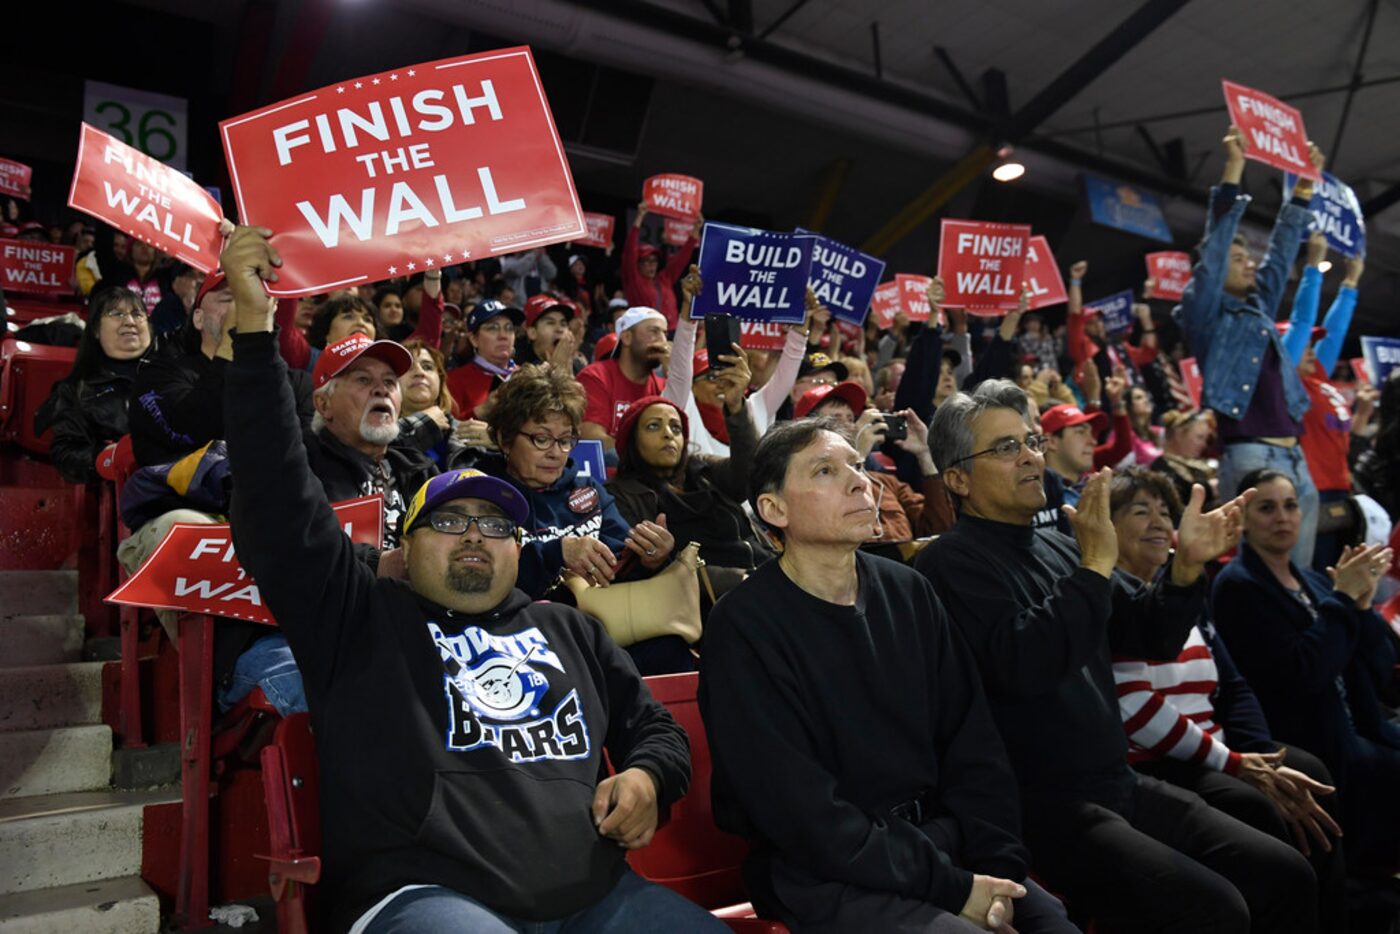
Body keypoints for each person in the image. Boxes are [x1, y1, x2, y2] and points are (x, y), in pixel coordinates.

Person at [215, 225, 718, 934]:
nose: (476, 533)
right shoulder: (358, 619)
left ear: (519, 549)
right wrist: (256, 326)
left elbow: (657, 730)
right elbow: (275, 496)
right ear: (408, 545)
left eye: (496, 524)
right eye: (450, 523)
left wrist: (646, 778)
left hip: (601, 900)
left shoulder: (568, 627)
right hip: (426, 898)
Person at [915, 379, 1318, 934]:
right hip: (1043, 805)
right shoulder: (950, 565)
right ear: (957, 477)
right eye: (1006, 447)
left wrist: (1185, 570)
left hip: (1116, 782)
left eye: (1030, 440)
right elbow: (1025, 664)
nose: (1032, 456)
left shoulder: (1060, 543)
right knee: (1215, 908)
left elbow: (1150, 635)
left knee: (1285, 872)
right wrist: (1093, 568)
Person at [701, 417, 1076, 933]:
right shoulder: (742, 627)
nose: (860, 480)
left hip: (942, 843)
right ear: (774, 509)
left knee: (1053, 923)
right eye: (826, 471)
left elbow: (974, 743)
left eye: (857, 465)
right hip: (825, 870)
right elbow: (803, 815)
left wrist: (996, 868)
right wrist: (955, 889)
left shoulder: (911, 591)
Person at [1107, 467, 1347, 929]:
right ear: (1105, 527)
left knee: (1308, 771)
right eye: (1141, 511)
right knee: (1258, 807)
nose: (1159, 523)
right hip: (1165, 762)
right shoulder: (1113, 600)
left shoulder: (1181, 595)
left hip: (1219, 752)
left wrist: (1261, 757)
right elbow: (1134, 706)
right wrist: (1236, 764)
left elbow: (1233, 686)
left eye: (1165, 512)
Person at [1211, 469, 1400, 872]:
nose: (1282, 517)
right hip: (1312, 742)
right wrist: (1343, 599)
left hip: (1361, 727)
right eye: (1267, 508)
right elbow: (1304, 675)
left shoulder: (1314, 581)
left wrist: (1362, 606)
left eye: (1290, 505)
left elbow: (1383, 670)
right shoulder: (1238, 586)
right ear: (1243, 519)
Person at [1175, 127, 1324, 568]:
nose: (1250, 264)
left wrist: (1302, 191)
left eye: (1248, 259)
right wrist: (1235, 168)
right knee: (1259, 570)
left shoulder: (1258, 309)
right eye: (1239, 261)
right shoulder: (1204, 316)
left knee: (1299, 570)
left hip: (1294, 451)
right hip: (1250, 452)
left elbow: (1279, 256)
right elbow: (1216, 250)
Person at [474, 364, 686, 673]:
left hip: (597, 629)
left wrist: (651, 556)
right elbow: (484, 580)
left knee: (671, 650)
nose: (556, 453)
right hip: (518, 641)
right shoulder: (482, 494)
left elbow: (622, 560)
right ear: (506, 439)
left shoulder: (587, 490)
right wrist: (556, 552)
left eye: (565, 440)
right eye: (541, 439)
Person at [608, 379, 774, 607]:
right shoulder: (619, 494)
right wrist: (739, 580)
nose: (668, 434)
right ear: (631, 441)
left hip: (765, 569)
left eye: (676, 428)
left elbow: (749, 474)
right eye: (654, 426)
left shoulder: (702, 469)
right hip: (711, 600)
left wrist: (737, 408)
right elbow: (645, 571)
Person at [305, 333, 439, 550]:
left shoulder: (421, 471)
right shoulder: (300, 468)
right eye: (363, 379)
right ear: (324, 404)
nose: (381, 390)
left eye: (389, 381)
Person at [1280, 246, 1368, 572]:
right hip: (1311, 492)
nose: (1310, 349)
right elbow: (1303, 321)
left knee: (1337, 577)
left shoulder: (1317, 377)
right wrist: (1313, 269)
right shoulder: (1288, 383)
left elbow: (1334, 334)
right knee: (1315, 577)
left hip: (1340, 492)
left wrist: (1350, 284)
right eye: (1303, 342)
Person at [663, 266, 809, 456]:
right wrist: (688, 312)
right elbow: (680, 372)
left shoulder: (755, 408)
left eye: (729, 373)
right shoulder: (682, 407)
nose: (722, 383)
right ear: (692, 387)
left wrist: (801, 320)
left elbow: (786, 375)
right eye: (712, 377)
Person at [793, 382, 954, 541]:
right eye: (835, 420)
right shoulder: (806, 484)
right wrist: (857, 456)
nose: (850, 427)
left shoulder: (885, 482)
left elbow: (939, 529)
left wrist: (925, 455)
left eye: (850, 418)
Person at [38, 286, 153, 483]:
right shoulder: (74, 391)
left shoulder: (174, 375)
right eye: (117, 314)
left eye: (137, 313)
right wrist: (107, 457)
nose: (130, 321)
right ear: (96, 330)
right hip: (131, 493)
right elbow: (66, 454)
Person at [576, 307, 669, 448]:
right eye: (654, 331)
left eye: (665, 333)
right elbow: (592, 438)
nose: (663, 341)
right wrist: (647, 457)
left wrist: (676, 374)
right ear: (627, 338)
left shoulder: (664, 386)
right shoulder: (596, 376)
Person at [444, 299, 523, 420]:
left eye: (509, 328)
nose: (503, 336)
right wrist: (480, 411)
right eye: (493, 328)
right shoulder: (454, 380)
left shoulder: (526, 375)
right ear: (473, 339)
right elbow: (446, 431)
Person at [621, 203, 698, 329]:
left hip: (672, 332)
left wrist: (695, 231)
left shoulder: (664, 279)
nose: (652, 265)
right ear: (638, 264)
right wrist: (640, 216)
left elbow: (681, 259)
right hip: (648, 333)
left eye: (654, 261)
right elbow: (630, 252)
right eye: (647, 261)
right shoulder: (634, 280)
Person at [1149, 409, 1219, 512]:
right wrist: (1209, 488)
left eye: (1205, 439)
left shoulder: (1199, 464)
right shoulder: (1160, 467)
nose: (1203, 444)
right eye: (1199, 438)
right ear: (1179, 435)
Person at [1040, 403, 1106, 509]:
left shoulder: (1096, 490)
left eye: (1090, 433)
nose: (1093, 441)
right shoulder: (1036, 497)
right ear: (1051, 441)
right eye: (1080, 432)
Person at [517, 293, 581, 370]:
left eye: (563, 324)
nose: (559, 329)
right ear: (532, 333)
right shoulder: (520, 368)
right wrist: (558, 370)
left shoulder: (576, 366)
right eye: (551, 323)